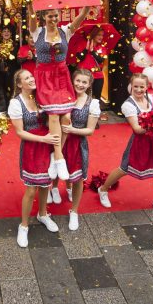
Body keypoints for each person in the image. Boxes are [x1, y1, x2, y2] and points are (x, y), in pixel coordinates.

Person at [97, 74, 153, 218]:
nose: (139, 89)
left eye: (142, 86)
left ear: (147, 87)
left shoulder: (151, 98)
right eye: (135, 86)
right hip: (139, 143)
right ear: (131, 87)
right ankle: (103, 189)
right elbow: (137, 129)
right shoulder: (127, 105)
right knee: (124, 169)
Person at [29, 5, 91, 181]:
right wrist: (29, 1)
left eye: (55, 16)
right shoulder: (37, 31)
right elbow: (31, 16)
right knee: (55, 116)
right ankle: (58, 156)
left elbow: (82, 16)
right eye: (50, 16)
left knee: (66, 117)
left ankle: (55, 157)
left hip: (62, 78)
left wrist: (88, 4)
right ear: (44, 17)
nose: (54, 19)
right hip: (45, 78)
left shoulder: (66, 31)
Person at [9, 69, 60, 248]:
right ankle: (23, 225)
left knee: (46, 183)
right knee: (31, 189)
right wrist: (42, 138)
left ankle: (43, 214)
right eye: (26, 78)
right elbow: (20, 132)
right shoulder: (16, 103)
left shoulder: (41, 97)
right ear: (19, 84)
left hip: (47, 145)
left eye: (32, 76)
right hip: (32, 147)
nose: (31, 79)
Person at [51, 69, 100, 230]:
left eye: (84, 82)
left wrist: (72, 130)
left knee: (78, 178)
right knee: (55, 167)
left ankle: (74, 211)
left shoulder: (92, 103)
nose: (80, 84)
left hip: (78, 143)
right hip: (60, 140)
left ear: (89, 84)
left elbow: (90, 131)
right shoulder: (64, 97)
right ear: (73, 81)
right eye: (78, 81)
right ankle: (55, 188)